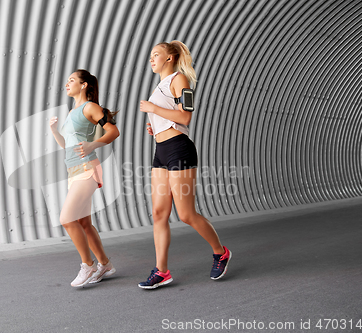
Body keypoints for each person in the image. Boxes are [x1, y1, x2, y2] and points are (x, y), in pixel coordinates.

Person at [138, 41, 231, 289]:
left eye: (156, 54)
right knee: (159, 213)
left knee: (186, 214)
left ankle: (220, 252)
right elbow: (171, 116)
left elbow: (186, 116)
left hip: (179, 149)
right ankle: (161, 271)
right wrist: (155, 124)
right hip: (161, 151)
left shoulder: (179, 80)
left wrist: (153, 109)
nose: (151, 58)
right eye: (150, 55)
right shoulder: (159, 85)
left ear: (170, 58)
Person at [49, 69, 119, 287]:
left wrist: (92, 144)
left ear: (84, 85)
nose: (67, 83)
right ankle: (105, 264)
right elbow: (67, 146)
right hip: (74, 171)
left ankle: (87, 265)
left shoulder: (90, 107)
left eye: (72, 80)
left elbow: (113, 131)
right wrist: (54, 131)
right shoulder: (72, 112)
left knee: (67, 219)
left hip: (87, 169)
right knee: (84, 223)